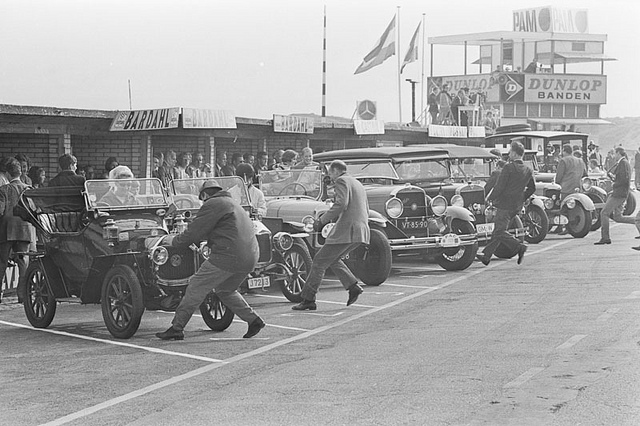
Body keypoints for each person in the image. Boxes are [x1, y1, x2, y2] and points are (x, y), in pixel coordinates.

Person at [155, 179, 265, 340]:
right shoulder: (231, 203)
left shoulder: (212, 204)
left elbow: (194, 232)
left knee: (195, 286)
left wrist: (173, 240)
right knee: (225, 290)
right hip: (250, 256)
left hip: (227, 257)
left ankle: (177, 328)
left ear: (205, 195)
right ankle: (254, 320)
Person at [292, 160, 368, 311]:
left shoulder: (341, 181)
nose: (329, 177)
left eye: (330, 173)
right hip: (360, 230)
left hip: (347, 230)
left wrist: (321, 221)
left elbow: (341, 204)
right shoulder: (356, 182)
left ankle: (308, 299)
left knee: (319, 262)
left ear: (335, 171)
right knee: (332, 259)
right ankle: (353, 286)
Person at [476, 141, 535, 266]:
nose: (509, 154)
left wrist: (489, 199)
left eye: (510, 152)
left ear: (513, 153)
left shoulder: (508, 167)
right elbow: (532, 188)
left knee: (499, 231)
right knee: (499, 230)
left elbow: (499, 186)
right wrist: (522, 197)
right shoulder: (528, 169)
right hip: (517, 206)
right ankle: (486, 256)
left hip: (504, 204)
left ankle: (519, 246)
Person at [0, 158, 33, 303]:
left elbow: (0, 211)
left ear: (7, 174)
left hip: (6, 229)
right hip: (25, 229)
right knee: (23, 262)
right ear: (20, 173)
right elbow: (34, 210)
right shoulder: (29, 189)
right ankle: (22, 294)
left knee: (2, 262)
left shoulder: (3, 190)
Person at [596, 147, 637, 245]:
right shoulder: (624, 162)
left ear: (619, 153)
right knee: (618, 217)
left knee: (604, 213)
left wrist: (614, 182)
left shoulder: (623, 163)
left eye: (615, 153)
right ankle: (638, 221)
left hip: (618, 193)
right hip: (621, 193)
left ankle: (605, 237)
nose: (614, 156)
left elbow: (623, 179)